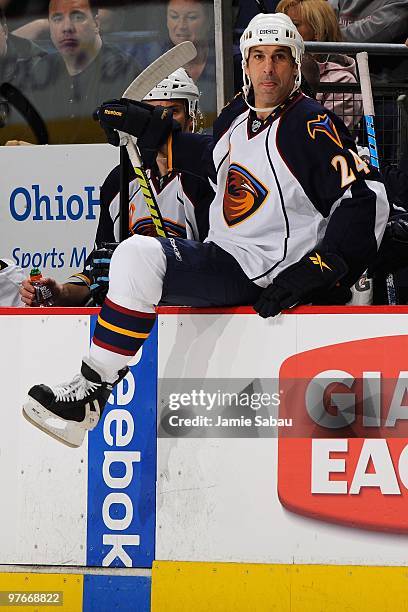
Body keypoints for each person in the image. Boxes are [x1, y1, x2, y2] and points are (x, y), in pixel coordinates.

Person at [23, 12, 389, 448]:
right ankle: (90, 392)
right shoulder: (238, 113)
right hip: (227, 259)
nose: (267, 69)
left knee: (137, 255)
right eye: (258, 57)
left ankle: (92, 389)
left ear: (295, 65)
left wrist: (323, 265)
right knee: (136, 254)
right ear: (245, 64)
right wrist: (152, 131)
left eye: (278, 57)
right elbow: (214, 161)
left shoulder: (311, 124)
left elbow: (366, 200)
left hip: (274, 274)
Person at [19, 68, 213, 308]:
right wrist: (60, 292)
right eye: (150, 113)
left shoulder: (210, 176)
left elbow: (217, 268)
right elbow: (98, 270)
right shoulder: (119, 181)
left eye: (172, 111)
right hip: (135, 316)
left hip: (198, 318)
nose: (159, 122)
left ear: (191, 118)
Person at [18, 0, 140, 144]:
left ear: (96, 23)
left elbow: (116, 144)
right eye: (57, 19)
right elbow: (28, 132)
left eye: (77, 17)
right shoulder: (41, 72)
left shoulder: (122, 71)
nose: (67, 28)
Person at [276, 0, 362, 130]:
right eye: (281, 26)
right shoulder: (271, 69)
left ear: (318, 30)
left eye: (294, 25)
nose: (284, 32)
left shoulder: (341, 80)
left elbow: (332, 136)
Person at [165, 0, 216, 129]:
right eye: (174, 16)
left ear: (209, 20)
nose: (181, 25)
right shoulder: (155, 68)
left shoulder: (227, 64)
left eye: (192, 17)